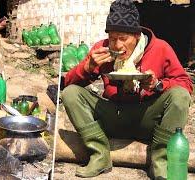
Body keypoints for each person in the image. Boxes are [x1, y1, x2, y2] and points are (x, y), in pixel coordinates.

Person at [61, 0, 192, 179]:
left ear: (137, 35)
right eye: (113, 38)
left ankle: (161, 160)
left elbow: (185, 83)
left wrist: (158, 85)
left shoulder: (160, 48)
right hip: (113, 117)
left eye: (123, 38)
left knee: (180, 96)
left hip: (147, 119)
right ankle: (99, 154)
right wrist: (88, 67)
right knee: (70, 93)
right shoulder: (102, 49)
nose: (117, 45)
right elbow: (68, 83)